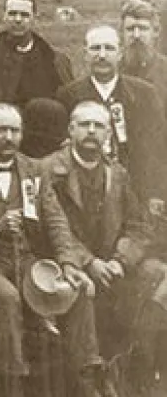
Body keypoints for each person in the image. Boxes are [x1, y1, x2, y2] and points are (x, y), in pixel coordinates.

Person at [0, 103, 106, 397]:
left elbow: (56, 221)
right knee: (6, 296)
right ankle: (11, 386)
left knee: (78, 289)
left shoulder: (34, 169)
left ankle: (85, 380)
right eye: (1, 130)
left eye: (15, 130)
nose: (9, 137)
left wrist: (69, 263)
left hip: (25, 258)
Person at [42, 102, 166, 391]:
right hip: (66, 262)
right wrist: (88, 262)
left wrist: (120, 260)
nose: (91, 131)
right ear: (71, 130)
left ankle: (137, 367)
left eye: (98, 126)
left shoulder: (117, 173)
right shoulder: (49, 170)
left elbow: (138, 226)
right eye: (84, 125)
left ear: (109, 134)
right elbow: (50, 228)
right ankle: (89, 382)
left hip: (113, 264)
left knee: (158, 274)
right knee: (81, 290)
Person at [55, 25, 167, 205]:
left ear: (120, 53)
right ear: (85, 54)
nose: (102, 55)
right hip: (87, 192)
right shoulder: (68, 96)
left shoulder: (144, 93)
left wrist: (156, 193)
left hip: (138, 189)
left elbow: (159, 146)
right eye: (95, 48)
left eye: (109, 48)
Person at [0, 0, 73, 105]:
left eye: (24, 15)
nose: (18, 19)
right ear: (4, 16)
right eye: (12, 14)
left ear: (34, 18)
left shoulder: (52, 58)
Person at [119, 0, 167, 106]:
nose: (136, 35)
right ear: (121, 33)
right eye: (130, 29)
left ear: (156, 32)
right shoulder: (112, 71)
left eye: (143, 28)